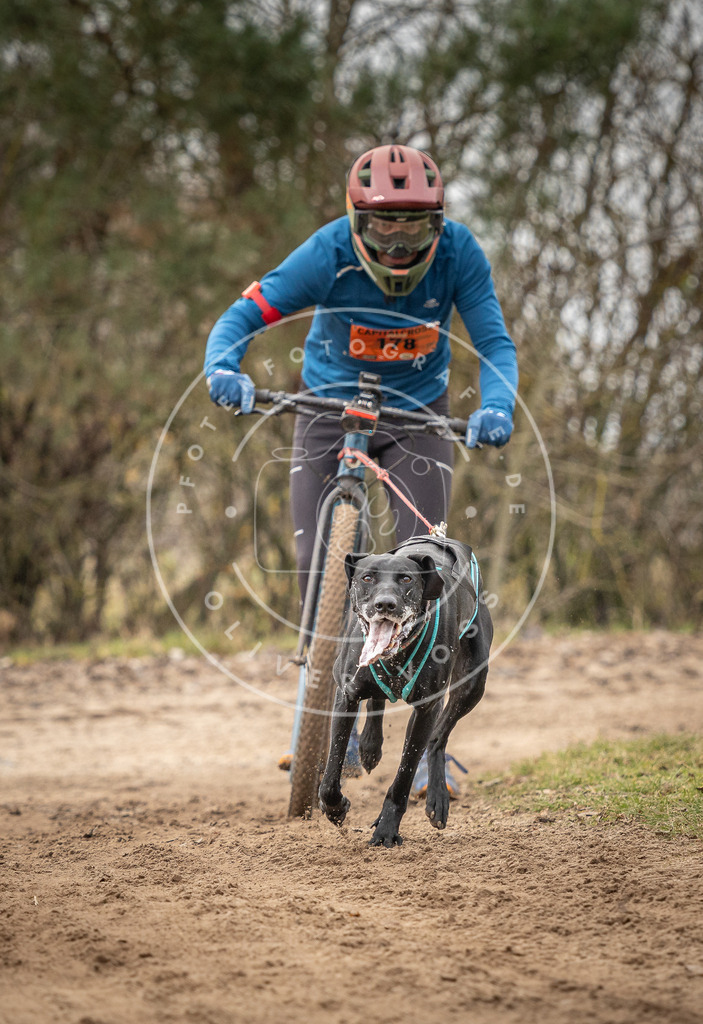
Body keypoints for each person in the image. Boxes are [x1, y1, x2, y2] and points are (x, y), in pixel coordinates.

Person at [204, 144, 518, 796]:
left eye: (415, 224)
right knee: (319, 570)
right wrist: (223, 367)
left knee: (430, 569)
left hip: (417, 415)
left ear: (438, 222)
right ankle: (327, 729)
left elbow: (490, 341)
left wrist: (494, 404)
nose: (399, 242)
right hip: (325, 409)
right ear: (355, 221)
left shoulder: (460, 254)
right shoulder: (324, 252)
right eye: (382, 225)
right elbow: (243, 316)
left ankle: (433, 746)